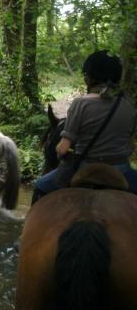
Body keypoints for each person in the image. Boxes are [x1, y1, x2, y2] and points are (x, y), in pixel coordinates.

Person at [32, 49, 137, 204]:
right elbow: (130, 145)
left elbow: (62, 148)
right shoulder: (129, 106)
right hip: (121, 169)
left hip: (84, 167)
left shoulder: (80, 104)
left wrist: (63, 154)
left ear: (89, 79)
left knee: (40, 187)